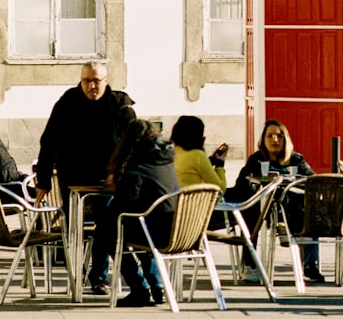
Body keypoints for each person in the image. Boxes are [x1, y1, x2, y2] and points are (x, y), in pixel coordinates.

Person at [33, 60, 136, 295]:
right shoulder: (68, 102)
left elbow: (132, 144)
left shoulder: (119, 105)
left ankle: (98, 276)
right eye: (86, 81)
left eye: (96, 81)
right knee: (74, 227)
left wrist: (123, 176)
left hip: (108, 181)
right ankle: (76, 273)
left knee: (106, 225)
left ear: (106, 81)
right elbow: (48, 141)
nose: (91, 86)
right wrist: (44, 180)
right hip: (74, 179)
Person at [88, 119, 171, 307]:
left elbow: (127, 201)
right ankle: (157, 286)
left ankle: (139, 287)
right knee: (137, 229)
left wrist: (116, 185)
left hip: (151, 228)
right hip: (173, 227)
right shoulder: (167, 158)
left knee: (108, 231)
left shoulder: (137, 162)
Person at [227, 119, 322, 283]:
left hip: (292, 208)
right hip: (262, 208)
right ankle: (250, 265)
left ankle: (310, 265)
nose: (275, 140)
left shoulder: (296, 160)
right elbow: (241, 184)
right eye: (270, 136)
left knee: (308, 207)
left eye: (279, 136)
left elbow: (312, 182)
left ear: (286, 139)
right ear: (263, 140)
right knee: (250, 212)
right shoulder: (256, 160)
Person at [171, 115, 227, 230]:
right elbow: (220, 189)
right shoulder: (198, 156)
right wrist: (220, 166)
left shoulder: (171, 153)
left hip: (175, 215)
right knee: (247, 212)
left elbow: (191, 170)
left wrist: (210, 161)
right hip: (196, 216)